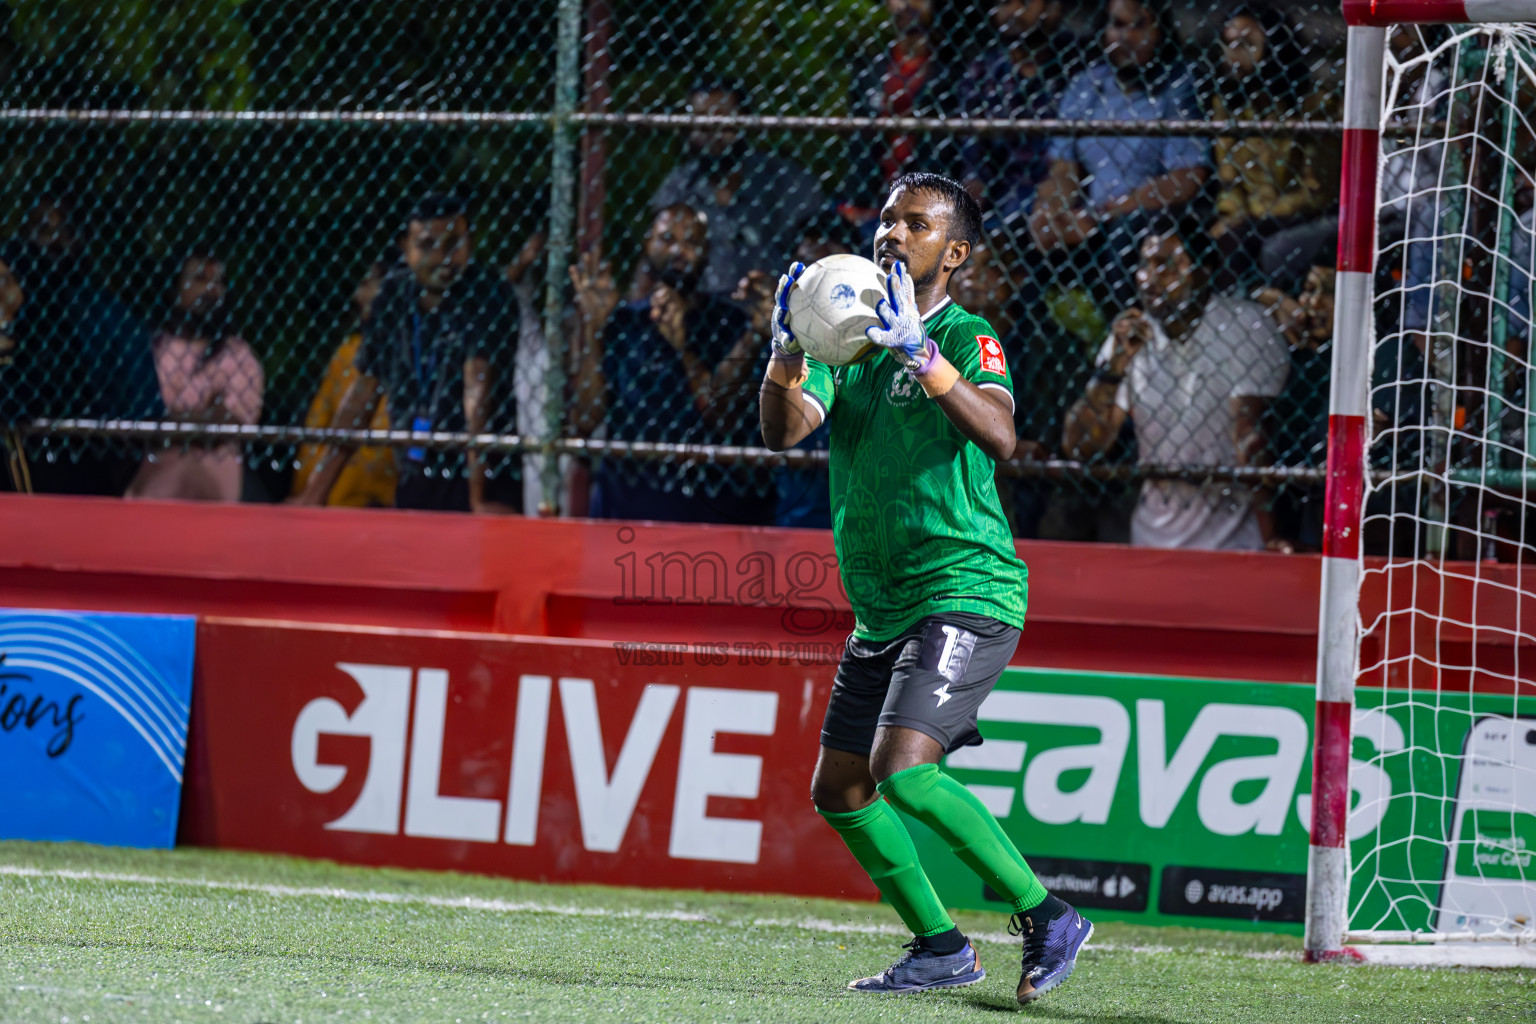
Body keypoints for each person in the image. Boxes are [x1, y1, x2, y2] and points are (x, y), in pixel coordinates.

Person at [759, 172, 1091, 1004]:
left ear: (956, 251)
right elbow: (784, 431)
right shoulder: (848, 344)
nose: (892, 234)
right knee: (839, 789)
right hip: (883, 606)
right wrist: (786, 358)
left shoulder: (970, 334)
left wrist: (925, 355)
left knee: (903, 773)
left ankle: (1047, 915)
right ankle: (940, 947)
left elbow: (1003, 434)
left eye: (916, 224)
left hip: (965, 588)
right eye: (886, 220)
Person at [1061, 226, 1292, 551]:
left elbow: (1250, 438)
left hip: (1235, 544)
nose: (1150, 277)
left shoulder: (1244, 324)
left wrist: (1272, 537)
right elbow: (1082, 447)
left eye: (1167, 263)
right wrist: (1113, 371)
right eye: (1145, 265)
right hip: (1152, 539)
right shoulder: (1131, 335)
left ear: (1203, 271)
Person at [290, 194, 521, 513]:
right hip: (415, 469)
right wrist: (316, 494)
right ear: (405, 248)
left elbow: (476, 389)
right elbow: (363, 393)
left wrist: (477, 499)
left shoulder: (488, 292)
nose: (442, 257)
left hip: (485, 472)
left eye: (453, 243)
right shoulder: (393, 295)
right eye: (427, 245)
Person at [569, 203, 773, 524]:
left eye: (692, 242)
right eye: (667, 238)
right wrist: (593, 330)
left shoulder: (729, 323)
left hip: (711, 507)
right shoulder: (623, 323)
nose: (679, 250)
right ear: (647, 245)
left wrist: (682, 346)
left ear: (706, 253)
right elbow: (583, 419)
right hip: (628, 504)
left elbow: (722, 416)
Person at [1026, 0, 1208, 311]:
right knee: (1028, 229)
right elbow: (1063, 168)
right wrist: (1052, 209)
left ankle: (1127, 325)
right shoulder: (1087, 85)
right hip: (1093, 214)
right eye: (1118, 25)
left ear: (1160, 31)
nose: (1127, 37)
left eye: (1139, 25)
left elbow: (1186, 178)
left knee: (1126, 234)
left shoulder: (1176, 86)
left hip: (1148, 214)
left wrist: (1102, 215)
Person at [650, 80, 827, 297]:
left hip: (771, 307)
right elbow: (651, 258)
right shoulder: (678, 185)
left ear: (744, 123)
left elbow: (820, 248)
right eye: (701, 120)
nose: (711, 131)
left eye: (722, 119)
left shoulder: (783, 179)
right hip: (695, 312)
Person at [1207, 7, 1338, 293]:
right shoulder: (1229, 106)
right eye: (1228, 43)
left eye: (1246, 44)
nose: (1234, 53)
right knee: (1222, 237)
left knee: (1251, 243)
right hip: (1251, 216)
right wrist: (1236, 212)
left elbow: (1317, 189)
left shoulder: (1315, 105)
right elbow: (1228, 178)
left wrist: (1259, 213)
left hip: (1303, 212)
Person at [126, 251, 264, 502]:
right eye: (200, 279)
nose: (211, 290)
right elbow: (142, 420)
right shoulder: (152, 348)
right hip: (153, 485)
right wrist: (205, 414)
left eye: (218, 282)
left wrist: (171, 421)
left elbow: (230, 423)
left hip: (217, 489)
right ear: (174, 289)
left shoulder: (237, 354)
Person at [955, 0, 1076, 229]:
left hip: (1056, 198)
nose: (1012, 12)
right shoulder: (983, 73)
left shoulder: (1074, 68)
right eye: (1004, 3)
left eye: (1024, 2)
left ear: (1052, 8)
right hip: (998, 198)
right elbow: (974, 162)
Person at [290, 255, 398, 508]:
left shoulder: (411, 349)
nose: (358, 297)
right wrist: (306, 488)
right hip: (337, 489)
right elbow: (319, 422)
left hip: (383, 492)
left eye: (369, 284)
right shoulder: (347, 353)